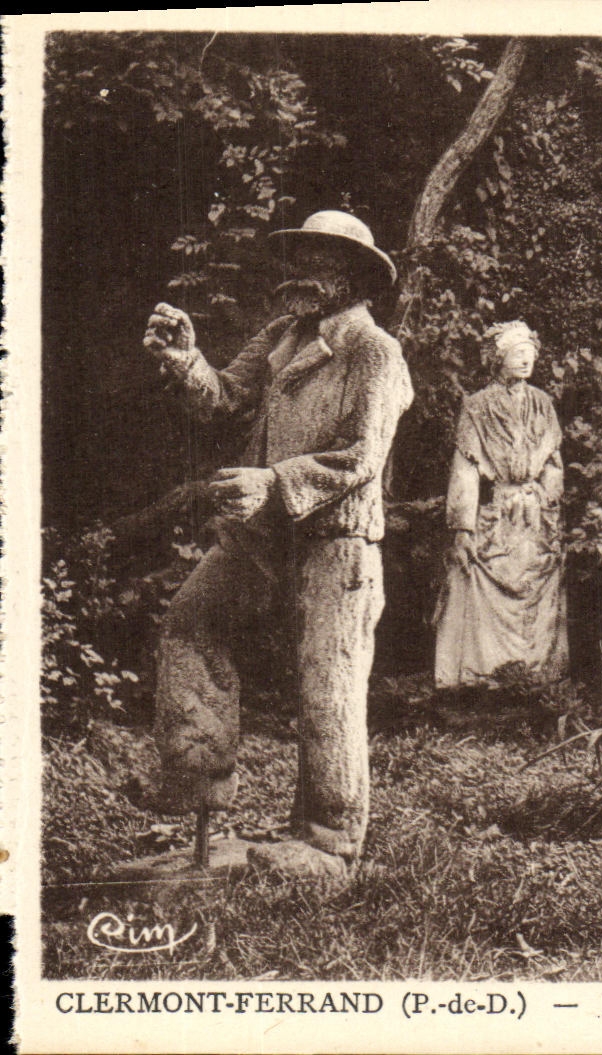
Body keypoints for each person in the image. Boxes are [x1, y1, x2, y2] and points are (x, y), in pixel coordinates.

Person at [137, 209, 412, 882]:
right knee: (191, 623)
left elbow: (360, 458)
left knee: (328, 684)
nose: (306, 272)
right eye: (302, 257)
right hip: (261, 539)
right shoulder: (282, 335)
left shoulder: (374, 352)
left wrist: (273, 481)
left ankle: (330, 843)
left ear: (354, 277)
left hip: (335, 543)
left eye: (323, 262)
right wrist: (186, 359)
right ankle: (200, 798)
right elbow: (226, 397)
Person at [433, 321, 568, 687]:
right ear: (498, 359)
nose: (526, 360)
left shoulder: (542, 404)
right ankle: (482, 678)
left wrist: (545, 496)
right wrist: (463, 528)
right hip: (496, 512)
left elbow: (554, 464)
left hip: (535, 516)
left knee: (536, 587)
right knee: (477, 576)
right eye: (517, 353)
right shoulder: (477, 407)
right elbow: (465, 470)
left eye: (530, 353)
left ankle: (536, 677)